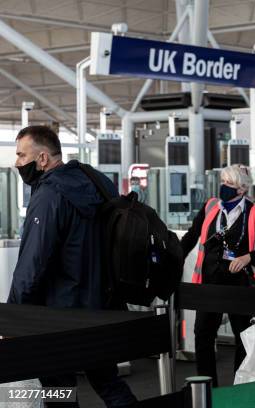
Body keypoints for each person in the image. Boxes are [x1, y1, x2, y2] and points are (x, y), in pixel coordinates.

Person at [8, 126, 137, 407]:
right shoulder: (97, 180)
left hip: (59, 316)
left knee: (59, 390)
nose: (17, 162)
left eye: (21, 155)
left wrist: (13, 314)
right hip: (102, 307)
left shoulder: (47, 196)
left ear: (42, 158)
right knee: (108, 382)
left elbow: (32, 264)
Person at [180, 164, 255, 387]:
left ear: (242, 189)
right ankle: (206, 388)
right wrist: (175, 257)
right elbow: (191, 236)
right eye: (223, 182)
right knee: (203, 335)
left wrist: (246, 258)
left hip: (240, 286)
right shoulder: (211, 207)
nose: (224, 187)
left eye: (229, 184)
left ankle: (239, 387)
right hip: (209, 283)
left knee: (243, 338)